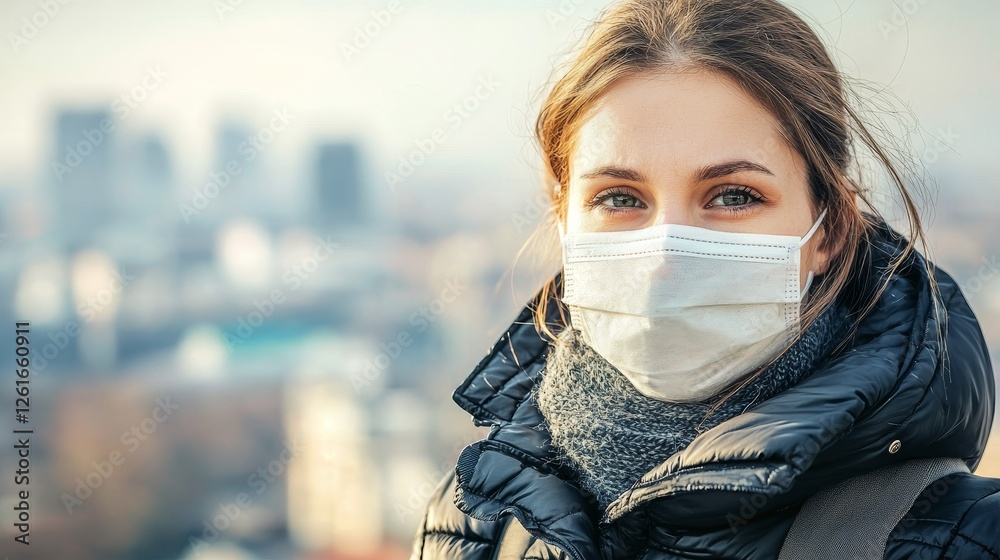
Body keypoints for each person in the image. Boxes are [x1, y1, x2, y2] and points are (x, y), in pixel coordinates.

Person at [409, 0, 999, 558]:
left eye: (734, 196)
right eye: (619, 197)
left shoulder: (965, 539)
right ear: (563, 218)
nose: (666, 257)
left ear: (830, 232)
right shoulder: (474, 521)